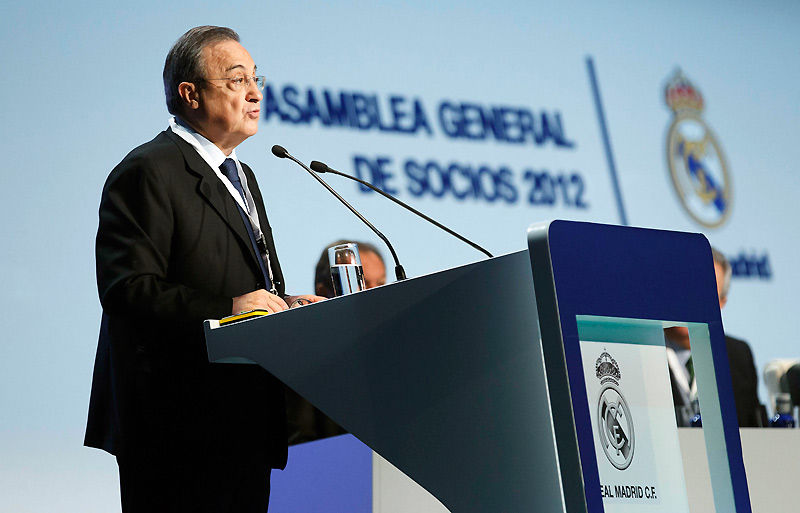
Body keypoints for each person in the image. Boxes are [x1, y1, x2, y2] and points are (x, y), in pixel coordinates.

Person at [84, 26, 323, 512]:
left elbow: (249, 286)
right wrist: (230, 308)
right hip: (174, 428)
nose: (255, 93)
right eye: (236, 81)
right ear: (189, 94)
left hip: (241, 421)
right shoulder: (149, 170)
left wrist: (285, 307)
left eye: (256, 79)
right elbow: (127, 289)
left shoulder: (243, 175)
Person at [286, 240, 387, 444]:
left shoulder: (390, 357)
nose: (374, 294)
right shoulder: (303, 362)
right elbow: (301, 438)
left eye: (381, 285)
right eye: (364, 284)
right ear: (323, 291)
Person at [664, 247, 763, 427]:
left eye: (703, 295)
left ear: (721, 303)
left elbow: (752, 432)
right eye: (682, 288)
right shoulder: (637, 351)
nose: (689, 301)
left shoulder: (737, 356)